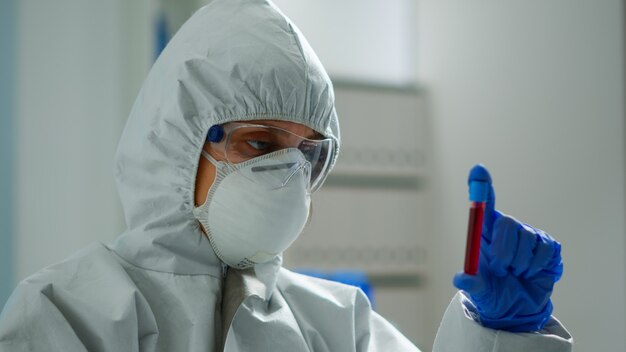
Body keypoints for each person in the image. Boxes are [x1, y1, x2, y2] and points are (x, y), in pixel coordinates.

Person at [0, 0, 573, 351]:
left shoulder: (341, 322)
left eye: (307, 154)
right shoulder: (68, 312)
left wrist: (500, 334)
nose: (286, 174)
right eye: (259, 143)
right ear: (177, 144)